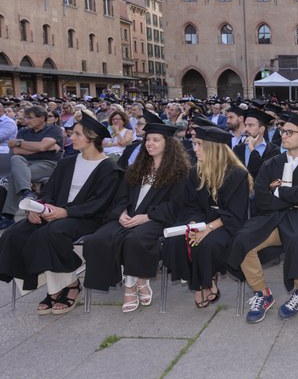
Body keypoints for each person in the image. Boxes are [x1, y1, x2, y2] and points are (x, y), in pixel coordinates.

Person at [0, 114, 121, 315]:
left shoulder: (109, 168)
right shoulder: (66, 163)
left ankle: (68, 286)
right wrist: (37, 209)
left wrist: (65, 212)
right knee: (14, 234)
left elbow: (100, 204)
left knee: (50, 233)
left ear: (91, 138)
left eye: (76, 134)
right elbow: (48, 192)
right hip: (54, 212)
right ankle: (57, 286)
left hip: (87, 218)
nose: (70, 137)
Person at [228, 114, 298, 322]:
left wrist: (280, 191)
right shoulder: (272, 163)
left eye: (290, 132)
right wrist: (296, 199)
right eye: (283, 131)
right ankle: (262, 293)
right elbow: (262, 198)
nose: (284, 135)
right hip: (272, 219)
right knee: (243, 239)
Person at [83, 122, 190, 312]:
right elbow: (120, 197)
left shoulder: (179, 173)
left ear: (168, 144)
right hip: (128, 217)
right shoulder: (135, 169)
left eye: (156, 140)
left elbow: (175, 204)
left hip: (156, 219)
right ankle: (139, 280)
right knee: (97, 240)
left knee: (135, 240)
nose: (150, 143)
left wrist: (147, 217)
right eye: (148, 139)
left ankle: (131, 286)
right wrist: (121, 213)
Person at [162, 126, 251, 308]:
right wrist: (194, 224)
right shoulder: (196, 173)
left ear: (212, 148)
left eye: (199, 144)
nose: (194, 149)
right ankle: (202, 281)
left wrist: (208, 228)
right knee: (180, 240)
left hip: (227, 223)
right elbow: (190, 205)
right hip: (202, 220)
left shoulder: (237, 175)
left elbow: (235, 213)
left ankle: (204, 282)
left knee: (208, 244)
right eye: (194, 144)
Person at [0, 105, 64, 230]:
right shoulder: (23, 131)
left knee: (16, 175)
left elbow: (39, 147)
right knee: (16, 159)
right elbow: (16, 151)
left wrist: (21, 143)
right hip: (24, 163)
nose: (26, 121)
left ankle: (8, 215)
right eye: (26, 118)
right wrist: (44, 148)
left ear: (41, 118)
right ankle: (26, 192)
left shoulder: (53, 129)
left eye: (30, 118)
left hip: (48, 163)